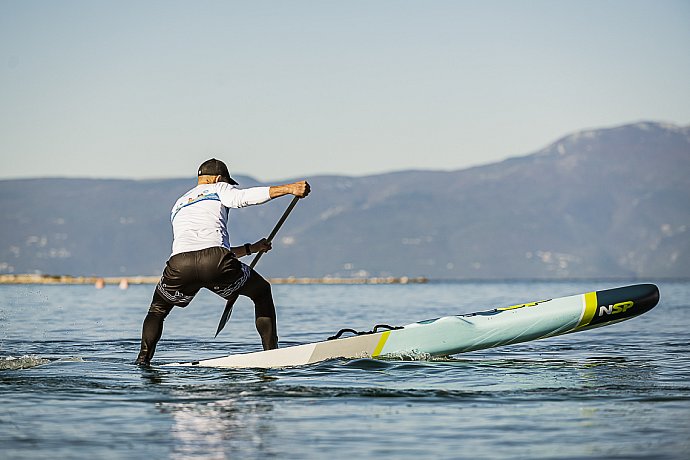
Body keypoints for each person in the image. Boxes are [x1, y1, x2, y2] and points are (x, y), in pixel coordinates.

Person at [135, 158, 310, 366]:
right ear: (219, 178)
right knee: (261, 291)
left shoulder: (180, 203)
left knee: (157, 310)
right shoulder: (218, 188)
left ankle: (143, 360)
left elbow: (201, 250)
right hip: (216, 262)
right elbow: (243, 198)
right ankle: (272, 355)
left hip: (180, 264)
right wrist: (290, 189)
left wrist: (251, 249)